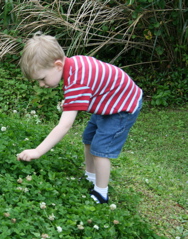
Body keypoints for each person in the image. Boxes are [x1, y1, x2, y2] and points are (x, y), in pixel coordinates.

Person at [16, 33, 143, 204]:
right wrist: (71, 102)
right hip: (108, 101)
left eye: (42, 78)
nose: (41, 84)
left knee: (100, 149)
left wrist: (38, 151)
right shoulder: (73, 66)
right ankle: (90, 177)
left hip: (122, 107)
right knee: (88, 139)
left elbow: (64, 125)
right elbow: (91, 86)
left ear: (58, 65)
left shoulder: (77, 81)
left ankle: (101, 193)